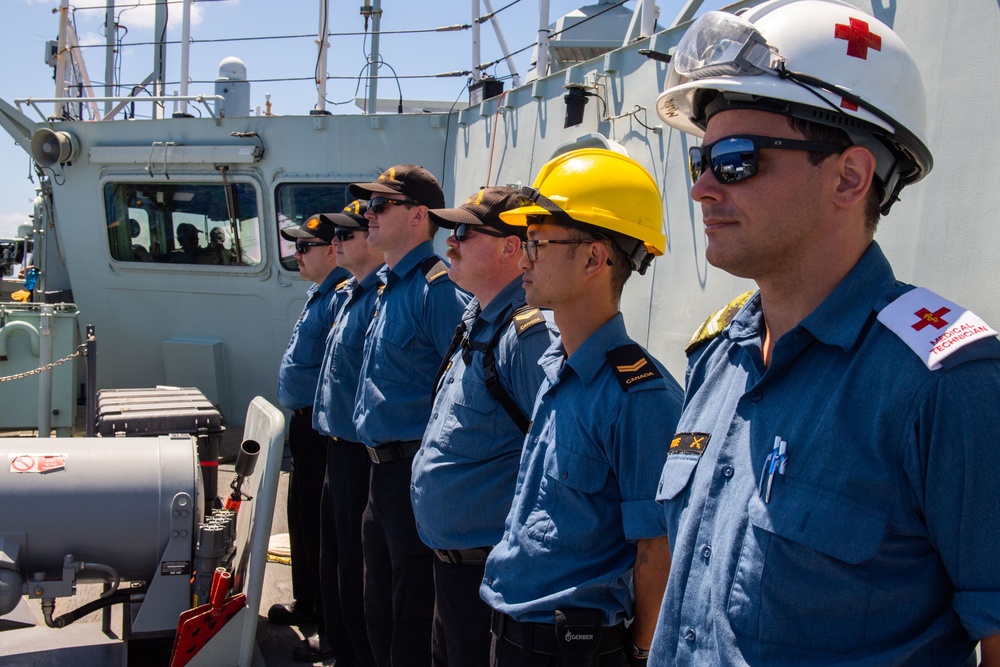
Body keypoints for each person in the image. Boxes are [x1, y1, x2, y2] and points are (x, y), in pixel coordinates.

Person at [648, 1, 1000, 664]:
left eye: (735, 160)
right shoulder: (716, 358)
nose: (700, 188)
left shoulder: (947, 384)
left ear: (847, 176)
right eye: (699, 161)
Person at [480, 148, 684, 666]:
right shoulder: (557, 366)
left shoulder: (640, 397)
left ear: (595, 258)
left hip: (571, 650)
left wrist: (639, 655)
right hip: (513, 630)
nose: (523, 258)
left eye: (539, 243)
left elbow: (654, 549)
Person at [411, 186, 559, 665]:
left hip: (486, 576)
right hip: (451, 568)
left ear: (510, 248)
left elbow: (559, 461)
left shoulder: (526, 338)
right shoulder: (476, 320)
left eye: (463, 232)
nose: (449, 242)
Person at [348, 165, 472, 666]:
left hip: (412, 470)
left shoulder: (436, 291)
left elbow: (463, 390)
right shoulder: (388, 287)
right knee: (377, 602)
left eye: (380, 206)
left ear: (419, 216)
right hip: (377, 472)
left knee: (412, 612)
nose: (368, 214)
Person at [273, 213, 351, 663]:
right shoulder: (319, 295)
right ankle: (306, 603)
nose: (297, 254)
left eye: (305, 247)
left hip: (322, 430)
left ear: (331, 251)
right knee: (300, 519)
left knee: (324, 531)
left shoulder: (340, 297)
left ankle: (325, 618)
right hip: (304, 425)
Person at [312, 200, 384, 667]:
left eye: (347, 234)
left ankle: (357, 655)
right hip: (336, 445)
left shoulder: (380, 296)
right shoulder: (350, 294)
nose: (335, 242)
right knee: (336, 557)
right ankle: (341, 648)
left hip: (363, 452)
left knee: (361, 570)